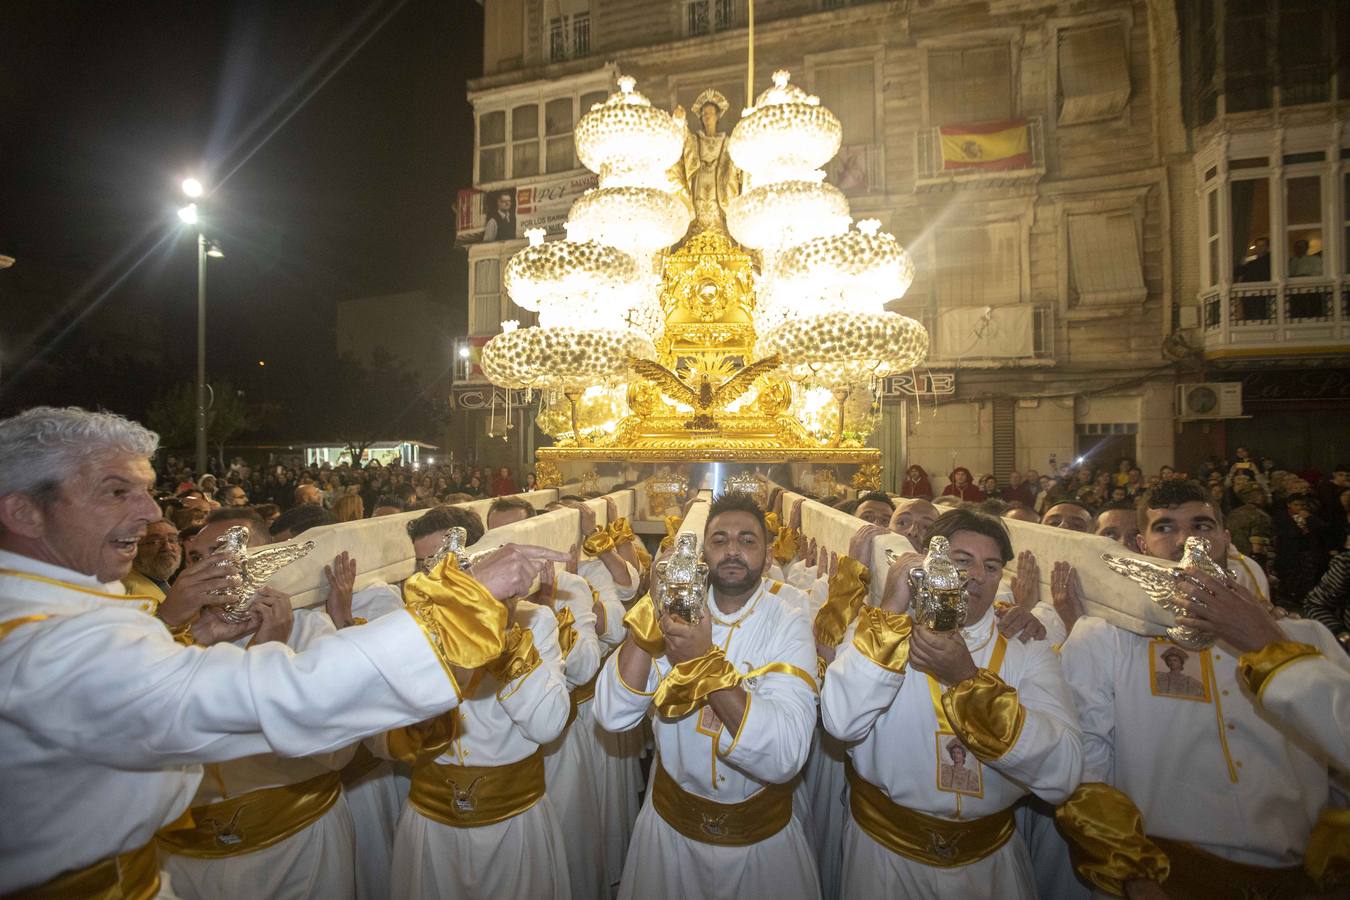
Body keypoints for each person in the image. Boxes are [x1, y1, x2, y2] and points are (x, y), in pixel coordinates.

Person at [0, 406, 562, 896]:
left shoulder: (64, 608)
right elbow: (279, 699)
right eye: (117, 491)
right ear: (23, 511)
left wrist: (198, 641)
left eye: (146, 490)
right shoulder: (38, 638)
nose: (150, 513)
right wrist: (464, 603)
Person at [1056, 478, 1348, 899]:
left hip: (1298, 876)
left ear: (1227, 538)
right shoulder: (1106, 637)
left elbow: (1341, 773)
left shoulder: (1308, 640)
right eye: (1165, 528)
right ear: (1141, 544)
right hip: (1167, 875)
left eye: (1202, 525)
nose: (1187, 540)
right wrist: (1130, 873)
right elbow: (1084, 761)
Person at [821, 508, 1082, 899]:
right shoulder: (881, 627)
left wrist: (967, 680)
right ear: (929, 562)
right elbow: (840, 721)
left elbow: (1065, 772)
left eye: (991, 566)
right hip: (885, 857)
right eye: (962, 560)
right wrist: (892, 606)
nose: (977, 575)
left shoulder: (1026, 644)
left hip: (990, 864)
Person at [595, 492, 820, 900]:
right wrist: (651, 604)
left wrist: (702, 662)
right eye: (719, 540)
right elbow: (612, 715)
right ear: (703, 553)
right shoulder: (670, 612)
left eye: (747, 540)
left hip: (762, 848)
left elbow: (785, 755)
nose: (732, 550)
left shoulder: (788, 621)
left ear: (769, 557)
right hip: (668, 838)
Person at [675, 89, 742, 234]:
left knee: (718, 227)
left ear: (717, 116)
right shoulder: (696, 140)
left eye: (710, 113)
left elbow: (737, 157)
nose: (707, 117)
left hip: (719, 190)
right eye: (704, 114)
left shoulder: (727, 142)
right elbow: (685, 142)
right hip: (699, 187)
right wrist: (680, 122)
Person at [122, 517, 181, 601]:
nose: (167, 547)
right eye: (154, 542)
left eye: (172, 540)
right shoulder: (132, 592)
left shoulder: (155, 579)